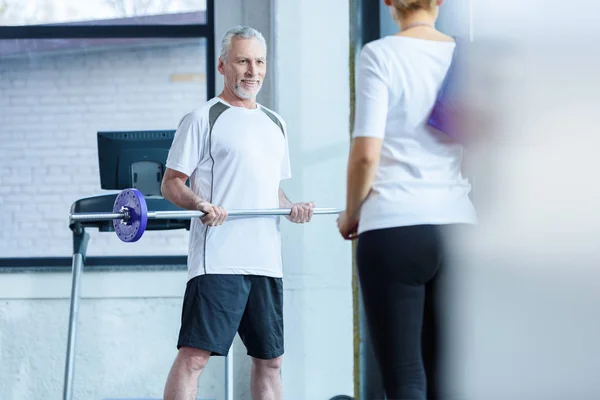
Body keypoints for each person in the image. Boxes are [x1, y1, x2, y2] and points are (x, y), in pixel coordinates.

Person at [161, 25, 315, 400]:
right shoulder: (203, 118)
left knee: (270, 361)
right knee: (196, 357)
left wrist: (290, 207)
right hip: (219, 259)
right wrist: (200, 204)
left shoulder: (275, 123)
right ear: (222, 65)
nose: (252, 70)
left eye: (259, 61)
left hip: (265, 260)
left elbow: (269, 188)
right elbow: (171, 183)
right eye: (243, 60)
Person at [337, 1, 477, 399]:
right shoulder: (463, 55)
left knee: (405, 380)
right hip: (458, 227)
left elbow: (366, 155)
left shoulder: (380, 54)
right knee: (450, 379)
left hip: (394, 225)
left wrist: (351, 214)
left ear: (388, 3)